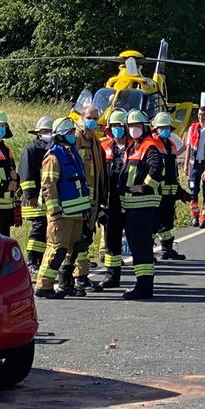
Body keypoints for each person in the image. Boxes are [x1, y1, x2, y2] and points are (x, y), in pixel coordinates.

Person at [34, 119, 92, 300]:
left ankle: (66, 284)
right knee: (56, 249)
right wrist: (54, 211)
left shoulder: (72, 153)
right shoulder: (53, 157)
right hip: (62, 215)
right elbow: (48, 186)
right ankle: (44, 285)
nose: (73, 135)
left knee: (72, 250)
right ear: (60, 135)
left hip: (77, 212)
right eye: (69, 132)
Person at [119, 110, 163, 300]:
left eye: (137, 126)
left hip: (142, 205)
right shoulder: (133, 147)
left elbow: (156, 167)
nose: (133, 129)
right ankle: (142, 284)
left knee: (141, 247)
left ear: (144, 127)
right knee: (137, 247)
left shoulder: (148, 146)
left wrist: (144, 187)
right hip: (132, 206)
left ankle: (144, 287)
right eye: (131, 126)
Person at [68, 105, 108, 295]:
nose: (92, 120)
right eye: (89, 117)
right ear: (82, 117)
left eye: (95, 118)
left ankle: (81, 276)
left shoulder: (94, 141)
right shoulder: (75, 138)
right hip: (78, 199)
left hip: (93, 200)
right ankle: (74, 277)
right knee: (77, 240)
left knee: (85, 239)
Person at [93, 109, 130, 290]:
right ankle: (112, 275)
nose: (117, 129)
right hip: (110, 201)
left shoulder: (135, 147)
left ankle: (142, 279)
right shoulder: (104, 148)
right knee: (111, 241)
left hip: (131, 203)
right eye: (114, 126)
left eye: (120, 126)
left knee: (136, 241)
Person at [16, 116, 54, 272]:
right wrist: (30, 194)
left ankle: (39, 260)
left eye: (50, 131)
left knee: (46, 228)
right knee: (38, 228)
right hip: (34, 198)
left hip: (47, 197)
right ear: (38, 133)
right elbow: (26, 174)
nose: (48, 134)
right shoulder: (31, 149)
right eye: (45, 131)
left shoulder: (52, 148)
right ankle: (31, 260)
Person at [151, 113, 186, 261]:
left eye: (167, 127)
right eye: (161, 127)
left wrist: (179, 191)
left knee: (167, 221)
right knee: (152, 222)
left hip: (168, 191)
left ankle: (167, 249)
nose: (164, 130)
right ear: (156, 129)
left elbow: (172, 171)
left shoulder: (170, 145)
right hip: (155, 191)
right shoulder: (151, 143)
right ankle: (147, 252)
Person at [184, 106, 205, 227]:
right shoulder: (193, 128)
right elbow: (189, 147)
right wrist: (185, 165)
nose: (201, 117)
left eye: (204, 114)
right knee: (193, 191)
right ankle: (195, 217)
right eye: (200, 114)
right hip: (194, 165)